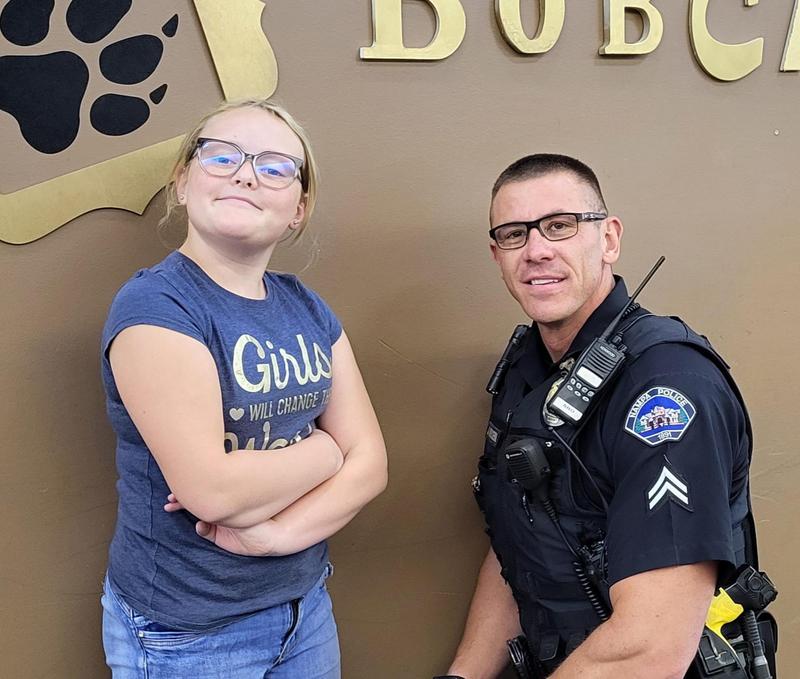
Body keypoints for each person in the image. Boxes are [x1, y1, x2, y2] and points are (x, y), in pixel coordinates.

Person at [439, 155, 773, 678]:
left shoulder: (665, 387)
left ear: (609, 239)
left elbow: (651, 647)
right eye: (513, 234)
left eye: (560, 226)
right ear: (496, 254)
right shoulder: (527, 373)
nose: (537, 251)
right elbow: (522, 545)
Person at [99, 98, 387, 678]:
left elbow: (373, 466)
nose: (246, 172)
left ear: (298, 209)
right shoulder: (158, 305)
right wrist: (328, 451)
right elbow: (212, 492)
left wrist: (276, 537)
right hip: (187, 633)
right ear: (182, 183)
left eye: (276, 165)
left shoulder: (307, 307)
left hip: (304, 608)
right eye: (221, 155)